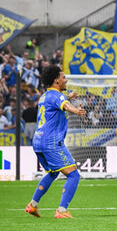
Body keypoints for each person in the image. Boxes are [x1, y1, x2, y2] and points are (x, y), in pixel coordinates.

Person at [25, 65, 86, 219]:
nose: (66, 80)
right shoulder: (57, 96)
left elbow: (59, 102)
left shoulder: (46, 95)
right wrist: (76, 110)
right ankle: (62, 210)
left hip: (38, 141)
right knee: (73, 175)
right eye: (63, 77)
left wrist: (68, 97)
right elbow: (64, 105)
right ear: (56, 81)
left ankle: (32, 205)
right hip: (51, 142)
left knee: (53, 173)